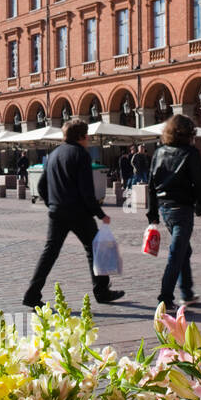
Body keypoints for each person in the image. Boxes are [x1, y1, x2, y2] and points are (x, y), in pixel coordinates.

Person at [23, 120, 124, 309]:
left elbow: (41, 185)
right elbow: (87, 191)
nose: (88, 139)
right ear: (82, 136)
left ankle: (32, 293)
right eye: (87, 136)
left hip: (57, 212)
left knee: (50, 252)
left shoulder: (53, 154)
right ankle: (101, 291)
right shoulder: (81, 155)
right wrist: (100, 213)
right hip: (78, 213)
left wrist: (52, 204)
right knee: (94, 249)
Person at [146, 114, 201, 311]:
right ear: (188, 134)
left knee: (184, 250)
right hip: (182, 210)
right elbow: (199, 184)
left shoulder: (159, 152)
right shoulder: (190, 153)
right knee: (176, 254)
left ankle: (187, 292)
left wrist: (152, 214)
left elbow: (151, 184)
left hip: (165, 209)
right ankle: (165, 298)